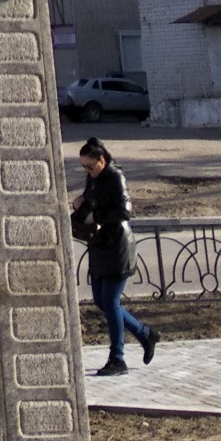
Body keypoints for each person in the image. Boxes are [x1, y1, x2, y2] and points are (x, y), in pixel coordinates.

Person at [74, 137, 160, 376]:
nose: (88, 171)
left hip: (117, 248)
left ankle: (118, 358)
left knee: (110, 302)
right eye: (84, 167)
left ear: (102, 161)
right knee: (102, 302)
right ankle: (145, 334)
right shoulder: (94, 179)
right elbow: (92, 203)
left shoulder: (115, 177)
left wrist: (96, 215)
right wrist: (81, 203)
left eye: (90, 166)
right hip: (100, 247)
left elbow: (124, 211)